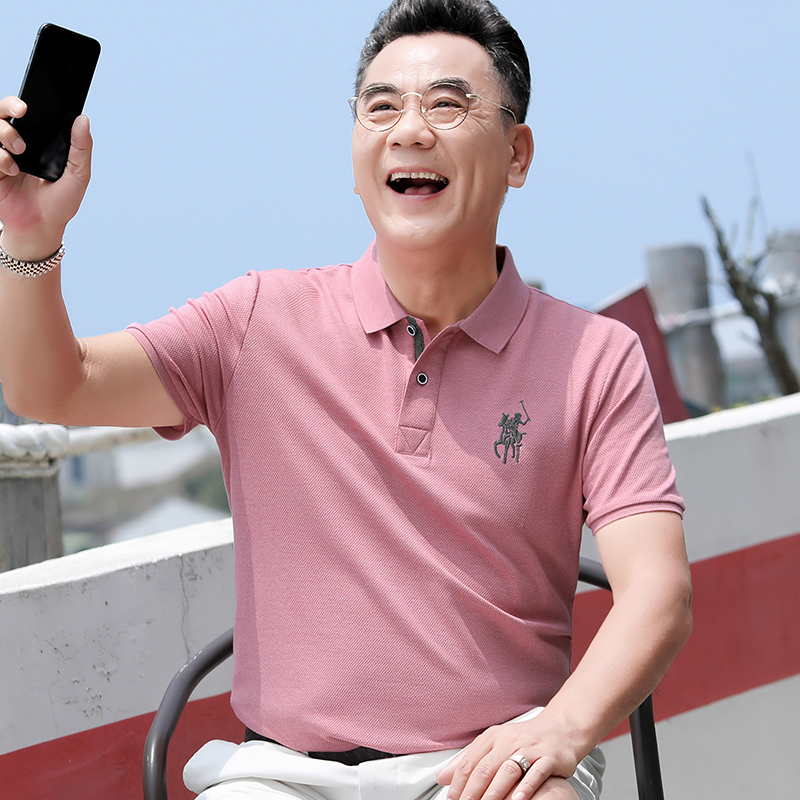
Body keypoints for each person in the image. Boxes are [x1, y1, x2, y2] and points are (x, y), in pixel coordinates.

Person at [0, 1, 692, 798]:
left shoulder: (596, 357)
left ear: (516, 153)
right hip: (281, 776)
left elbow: (658, 593)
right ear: (355, 153)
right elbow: (53, 386)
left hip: (488, 771)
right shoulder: (258, 319)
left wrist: (562, 726)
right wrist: (30, 240)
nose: (409, 130)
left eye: (447, 104)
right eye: (381, 107)